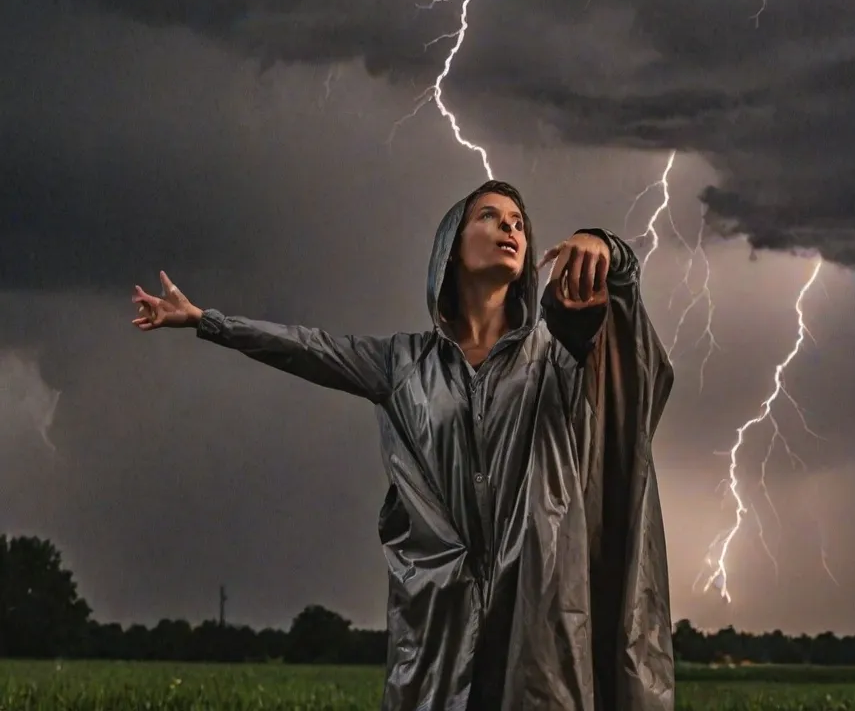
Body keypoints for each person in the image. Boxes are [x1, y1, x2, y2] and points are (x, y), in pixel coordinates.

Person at [131, 180, 675, 710]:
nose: (509, 226)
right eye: (488, 216)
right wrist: (206, 321)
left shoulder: (556, 356)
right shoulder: (402, 362)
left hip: (537, 613)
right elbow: (305, 348)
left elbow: (629, 366)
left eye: (518, 223)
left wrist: (609, 248)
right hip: (440, 616)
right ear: (450, 249)